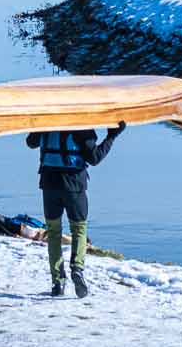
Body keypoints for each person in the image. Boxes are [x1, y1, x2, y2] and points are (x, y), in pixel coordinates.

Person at [26, 121, 124, 297]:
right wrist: (112, 136)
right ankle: (77, 268)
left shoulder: (44, 123)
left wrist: (38, 122)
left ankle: (58, 282)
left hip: (49, 185)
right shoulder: (81, 126)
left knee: (54, 233)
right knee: (79, 229)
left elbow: (30, 142)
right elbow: (95, 158)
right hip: (74, 186)